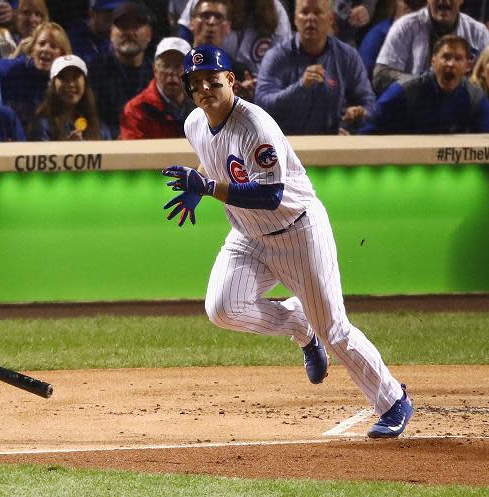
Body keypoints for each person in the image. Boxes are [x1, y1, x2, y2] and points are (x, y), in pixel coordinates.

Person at [162, 44, 414, 439]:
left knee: (334, 329)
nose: (206, 88)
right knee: (223, 308)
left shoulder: (255, 126)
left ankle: (393, 400)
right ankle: (299, 323)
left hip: (297, 231)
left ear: (231, 80)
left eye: (214, 79)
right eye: (197, 83)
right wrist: (199, 186)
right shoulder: (195, 123)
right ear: (190, 90)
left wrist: (208, 188)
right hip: (247, 234)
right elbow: (211, 159)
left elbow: (271, 195)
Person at [255, 0, 375, 134]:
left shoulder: (348, 57)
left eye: (317, 13)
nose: (310, 18)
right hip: (286, 143)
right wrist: (301, 87)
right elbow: (262, 104)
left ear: (330, 19)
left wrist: (359, 114)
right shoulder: (276, 57)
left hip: (333, 144)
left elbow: (369, 104)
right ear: (295, 19)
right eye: (304, 12)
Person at [361, 35, 489, 133]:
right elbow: (370, 128)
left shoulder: (475, 98)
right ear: (433, 60)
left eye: (458, 59)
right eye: (446, 57)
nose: (451, 64)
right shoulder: (404, 91)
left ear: (468, 65)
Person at [373, 0, 489, 94]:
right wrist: (423, 84)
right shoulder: (405, 27)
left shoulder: (479, 33)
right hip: (412, 112)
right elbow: (381, 76)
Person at [88, 1, 154, 138]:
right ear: (111, 33)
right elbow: (89, 116)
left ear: (149, 34)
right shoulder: (94, 71)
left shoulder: (157, 73)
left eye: (136, 27)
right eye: (123, 27)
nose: (129, 33)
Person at [0, 21, 71, 133]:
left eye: (53, 46)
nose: (46, 49)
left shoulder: (67, 82)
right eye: (41, 44)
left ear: (62, 54)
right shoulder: (9, 70)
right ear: (32, 49)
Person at [120, 36, 193, 139]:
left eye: (178, 66)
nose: (171, 72)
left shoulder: (203, 105)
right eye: (165, 65)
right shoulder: (136, 110)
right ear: (155, 69)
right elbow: (134, 153)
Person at [29, 54, 109, 140]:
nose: (70, 84)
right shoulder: (42, 125)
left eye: (75, 77)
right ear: (53, 84)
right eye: (62, 77)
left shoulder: (100, 128)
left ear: (85, 82)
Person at [188, 0, 255, 101]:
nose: (211, 22)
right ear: (192, 23)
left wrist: (242, 101)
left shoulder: (239, 73)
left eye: (218, 17)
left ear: (228, 27)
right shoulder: (179, 64)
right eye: (205, 16)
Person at [358, 0, 426, 79]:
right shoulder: (377, 36)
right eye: (409, 4)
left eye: (420, 6)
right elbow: (360, 80)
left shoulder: (425, 34)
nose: (415, 12)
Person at [222, 0, 292, 76]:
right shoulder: (220, 6)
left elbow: (283, 62)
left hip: (260, 81)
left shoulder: (276, 11)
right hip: (221, 77)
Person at [66, 0, 124, 66]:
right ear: (92, 14)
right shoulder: (74, 39)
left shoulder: (126, 34)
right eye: (109, 14)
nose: (115, 19)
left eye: (119, 12)